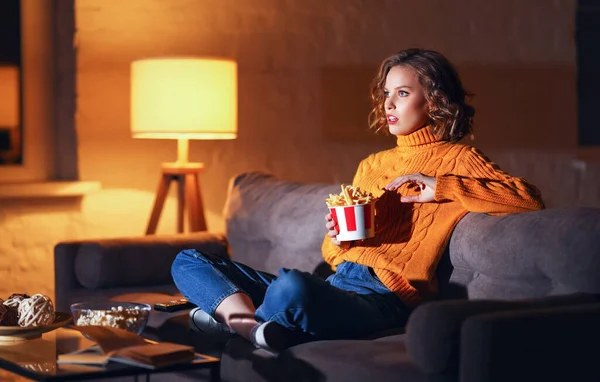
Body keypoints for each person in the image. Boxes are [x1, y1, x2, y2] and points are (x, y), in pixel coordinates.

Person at [170, 48, 545, 354]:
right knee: (188, 259)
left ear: (434, 101)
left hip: (383, 299)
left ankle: (229, 318)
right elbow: (334, 255)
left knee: (293, 288)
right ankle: (251, 327)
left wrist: (440, 187)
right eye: (386, 93)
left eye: (402, 92)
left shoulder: (459, 159)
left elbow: (528, 199)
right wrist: (339, 238)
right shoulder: (373, 164)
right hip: (338, 283)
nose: (389, 104)